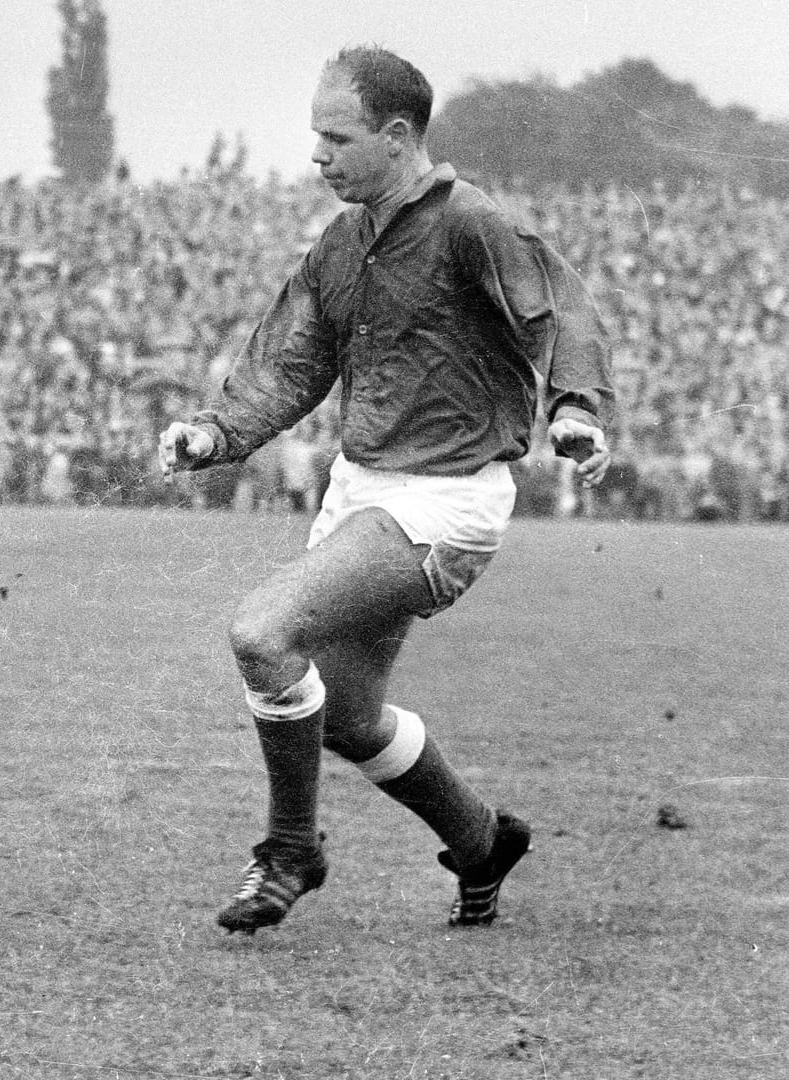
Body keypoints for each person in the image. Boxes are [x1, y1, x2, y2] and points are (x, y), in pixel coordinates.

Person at [158, 47, 613, 934]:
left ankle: (290, 848)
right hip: (364, 489)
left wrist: (574, 411)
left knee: (263, 633)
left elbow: (559, 309)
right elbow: (295, 359)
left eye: (337, 138)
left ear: (398, 137)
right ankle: (481, 843)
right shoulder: (345, 239)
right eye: (314, 137)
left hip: (447, 501)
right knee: (347, 716)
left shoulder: (468, 221)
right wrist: (218, 431)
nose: (317, 156)